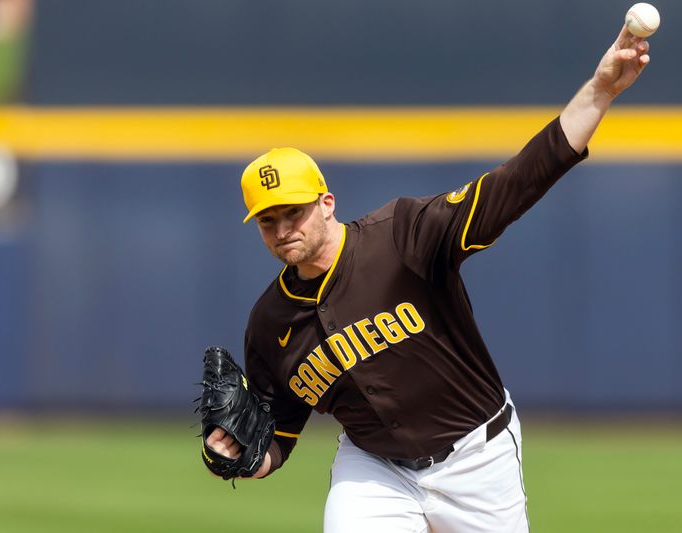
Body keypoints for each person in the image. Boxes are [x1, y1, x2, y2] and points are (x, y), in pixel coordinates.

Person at [206, 24, 651, 532]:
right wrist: (241, 457)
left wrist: (600, 92)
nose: (284, 229)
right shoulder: (270, 322)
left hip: (478, 458)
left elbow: (517, 181)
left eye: (294, 212)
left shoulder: (403, 236)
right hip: (375, 469)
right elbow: (277, 430)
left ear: (327, 203)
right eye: (269, 220)